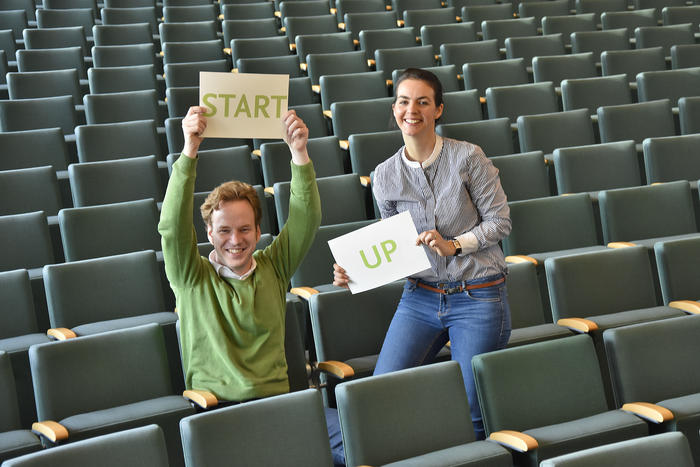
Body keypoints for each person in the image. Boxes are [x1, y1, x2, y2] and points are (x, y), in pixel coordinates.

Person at [333, 68, 512, 440]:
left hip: (477, 294)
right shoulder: (383, 176)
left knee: (470, 410)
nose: (410, 109)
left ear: (438, 110)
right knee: (380, 396)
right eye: (403, 101)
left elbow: (500, 222)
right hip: (420, 297)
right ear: (394, 108)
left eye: (422, 101)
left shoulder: (468, 157)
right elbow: (394, 249)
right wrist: (355, 271)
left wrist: (454, 245)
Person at [158, 106, 321, 402]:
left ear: (258, 232)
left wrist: (298, 152)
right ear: (209, 234)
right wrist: (190, 150)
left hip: (279, 406)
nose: (235, 240)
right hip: (219, 412)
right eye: (224, 231)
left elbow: (305, 218)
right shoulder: (191, 277)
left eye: (245, 229)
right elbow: (172, 226)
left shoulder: (274, 266)